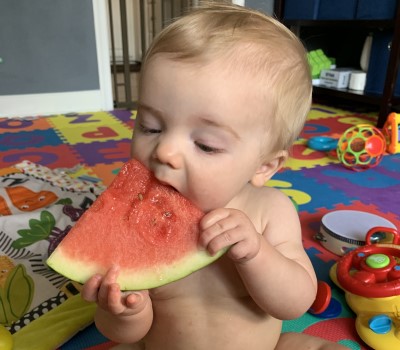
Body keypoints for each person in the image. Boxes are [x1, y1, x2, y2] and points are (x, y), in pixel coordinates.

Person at [82, 3, 347, 349]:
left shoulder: (271, 211)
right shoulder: (132, 216)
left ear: (264, 165)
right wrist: (123, 312)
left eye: (205, 145)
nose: (165, 151)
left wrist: (256, 254)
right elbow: (124, 332)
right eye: (150, 127)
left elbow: (295, 302)